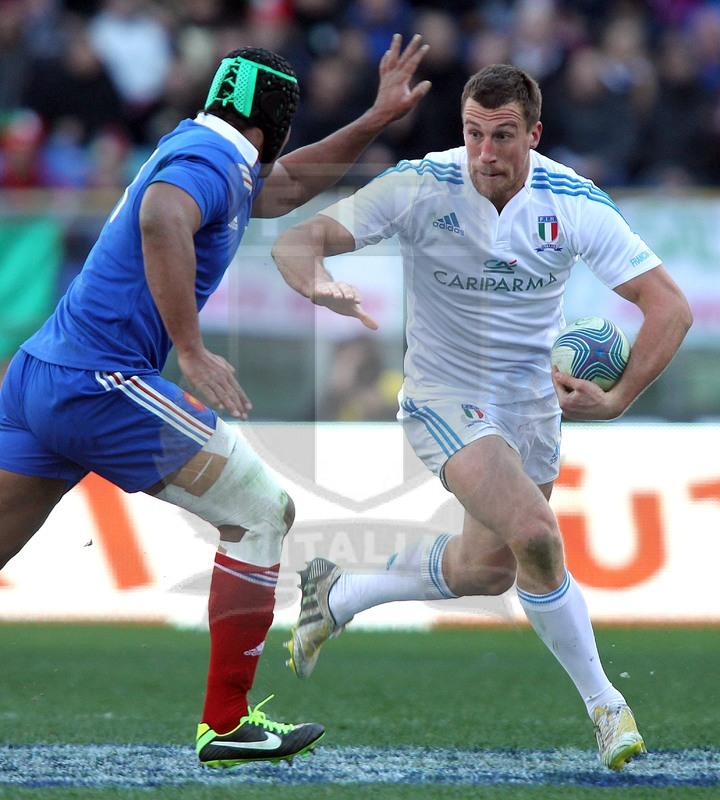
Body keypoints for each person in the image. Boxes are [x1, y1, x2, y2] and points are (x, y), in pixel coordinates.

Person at [0, 36, 431, 767]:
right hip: (100, 383)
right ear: (273, 124)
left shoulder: (205, 144)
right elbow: (163, 218)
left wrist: (376, 117)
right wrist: (192, 350)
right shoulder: (210, 161)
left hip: (41, 374)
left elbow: (282, 188)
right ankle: (226, 724)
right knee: (263, 511)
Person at [271, 63, 693, 770]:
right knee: (535, 533)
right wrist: (317, 282)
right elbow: (294, 241)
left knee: (487, 570)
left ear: (534, 134)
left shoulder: (573, 201)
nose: (486, 153)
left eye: (502, 136)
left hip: (529, 406)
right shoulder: (421, 186)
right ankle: (607, 706)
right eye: (473, 134)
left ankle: (338, 596)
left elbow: (670, 308)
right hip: (443, 396)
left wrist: (618, 400)